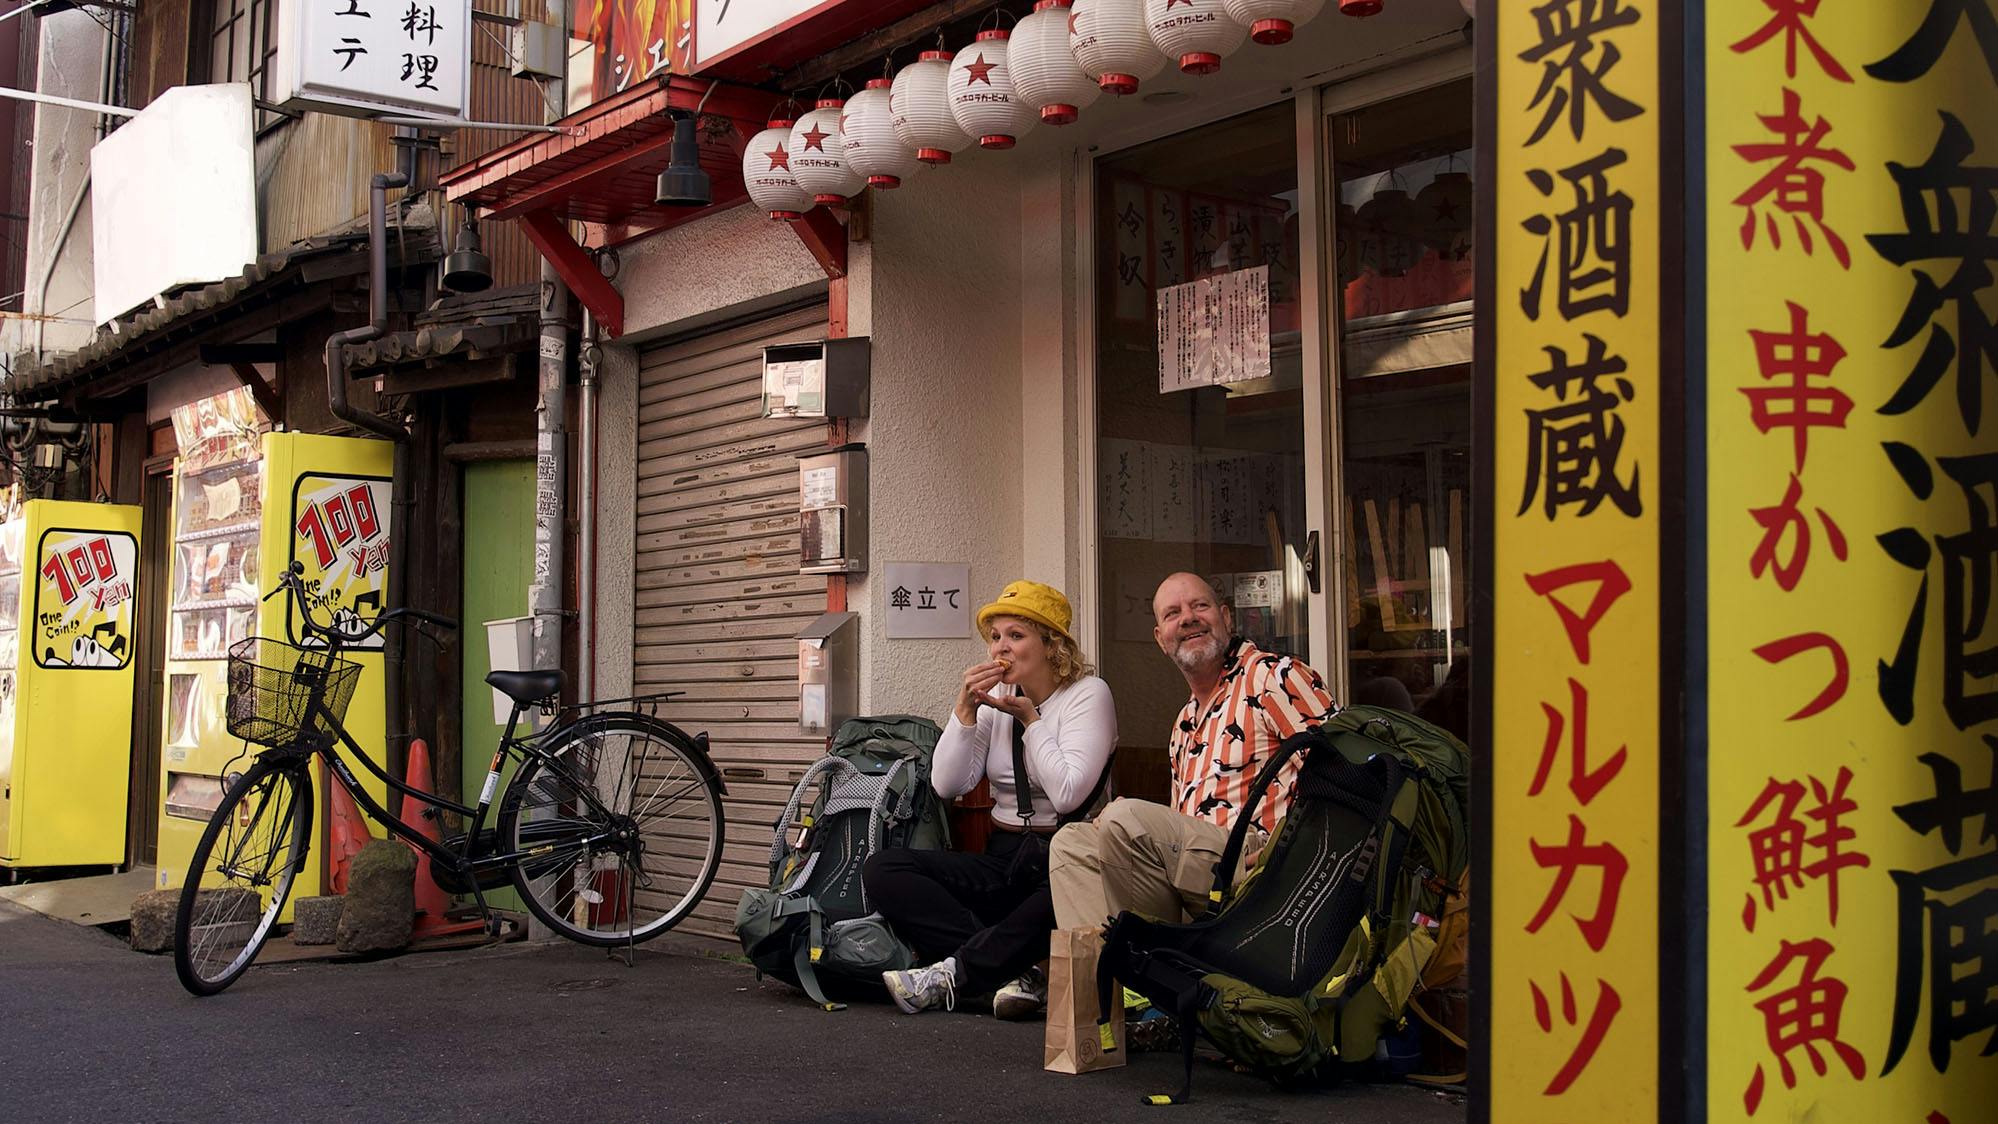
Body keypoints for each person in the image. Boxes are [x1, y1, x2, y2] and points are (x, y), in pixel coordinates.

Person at [867, 580, 1117, 1019]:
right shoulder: (997, 700)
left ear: (1052, 646)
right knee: (885, 869)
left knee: (1058, 894)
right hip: (1003, 855)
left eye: (1016, 636)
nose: (1001, 648)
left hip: (1061, 858)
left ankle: (959, 973)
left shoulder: (1088, 695)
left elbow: (1068, 792)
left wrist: (1033, 722)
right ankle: (1014, 972)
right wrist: (963, 712)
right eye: (996, 637)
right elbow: (948, 784)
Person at [1049, 572, 1336, 937]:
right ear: (1160, 639)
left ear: (1226, 618)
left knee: (1125, 817)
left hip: (1263, 863)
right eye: (1172, 614)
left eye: (1200, 605)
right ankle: (1113, 983)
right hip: (1200, 877)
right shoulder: (1184, 722)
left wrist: (1285, 844)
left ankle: (1148, 963)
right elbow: (1183, 832)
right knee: (1071, 845)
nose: (1187, 618)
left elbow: (1343, 772)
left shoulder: (1274, 676)